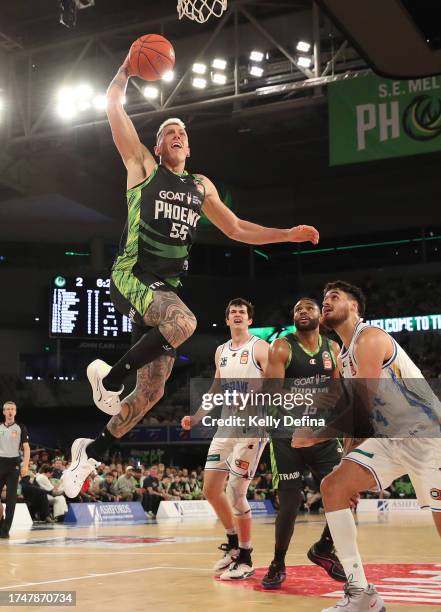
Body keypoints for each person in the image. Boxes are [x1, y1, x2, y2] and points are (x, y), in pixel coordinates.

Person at [61, 50, 319, 499]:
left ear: (189, 147)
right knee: (185, 323)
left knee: (151, 394)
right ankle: (110, 378)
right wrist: (124, 68)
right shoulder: (142, 168)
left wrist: (288, 234)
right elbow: (112, 107)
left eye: (182, 132)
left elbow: (238, 228)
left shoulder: (201, 186)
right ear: (157, 146)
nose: (176, 135)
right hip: (132, 273)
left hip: (164, 290)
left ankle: (90, 451)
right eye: (168, 132)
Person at [295, 280, 441, 612]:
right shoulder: (344, 356)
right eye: (324, 297)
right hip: (391, 440)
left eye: (334, 297)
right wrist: (349, 466)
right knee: (334, 486)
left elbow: (362, 406)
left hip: (428, 437)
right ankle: (362, 594)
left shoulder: (371, 338)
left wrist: (315, 434)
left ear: (355, 307)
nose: (326, 302)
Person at [182, 298, 269, 580]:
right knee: (210, 488)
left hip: (253, 427)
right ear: (227, 320)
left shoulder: (259, 347)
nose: (238, 315)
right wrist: (196, 417)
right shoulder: (220, 351)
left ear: (250, 320)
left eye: (243, 312)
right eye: (233, 312)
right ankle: (232, 544)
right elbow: (216, 389)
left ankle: (246, 556)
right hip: (227, 426)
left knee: (235, 491)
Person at [261, 298, 345, 589]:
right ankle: (277, 562)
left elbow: (336, 390)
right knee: (291, 502)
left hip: (320, 434)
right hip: (286, 434)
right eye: (297, 309)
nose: (303, 312)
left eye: (309, 308)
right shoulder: (282, 347)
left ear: (320, 316)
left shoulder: (332, 349)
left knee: (345, 493)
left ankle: (323, 549)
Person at [0, 401, 30, 538]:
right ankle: (1, 521)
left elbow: (26, 448)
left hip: (14, 465)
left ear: (15, 411)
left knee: (11, 499)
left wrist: (26, 465)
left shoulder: (20, 427)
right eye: (7, 409)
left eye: (12, 409)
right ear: (4, 412)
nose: (10, 411)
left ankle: (5, 530)